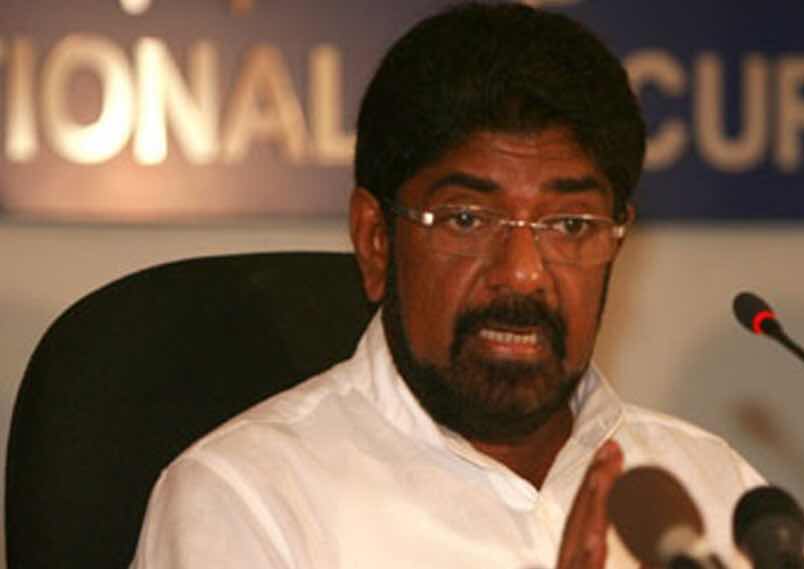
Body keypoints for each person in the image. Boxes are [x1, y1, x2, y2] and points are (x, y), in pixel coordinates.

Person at [130, 3, 768, 568]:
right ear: (375, 239)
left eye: (570, 224)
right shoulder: (247, 498)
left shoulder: (711, 493)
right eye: (467, 219)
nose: (523, 271)